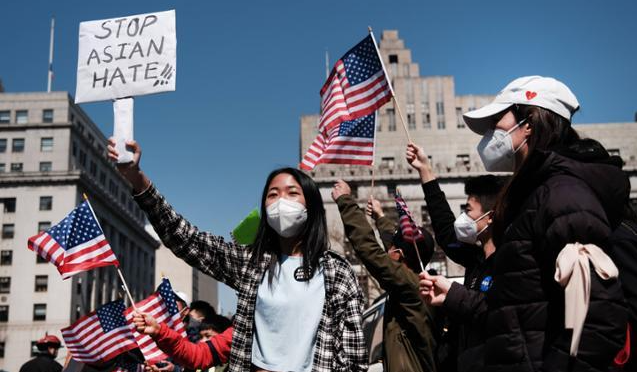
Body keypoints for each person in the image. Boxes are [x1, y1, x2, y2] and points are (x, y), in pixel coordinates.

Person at [108, 140, 367, 372]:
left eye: (292, 193)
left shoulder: (337, 272)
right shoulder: (251, 263)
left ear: (310, 206)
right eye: (272, 195)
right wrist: (137, 178)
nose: (280, 202)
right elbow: (185, 237)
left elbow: (354, 358)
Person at [461, 75, 628, 371]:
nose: (490, 133)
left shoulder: (562, 195)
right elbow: (518, 314)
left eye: (498, 119)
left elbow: (600, 316)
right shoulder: (535, 196)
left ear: (529, 124)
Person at [407, 141, 504, 372]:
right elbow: (445, 231)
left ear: (490, 217)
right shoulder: (475, 258)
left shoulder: (511, 261)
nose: (463, 217)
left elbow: (496, 314)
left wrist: (452, 294)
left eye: (468, 210)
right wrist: (425, 171)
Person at [331, 179, 438, 372]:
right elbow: (394, 242)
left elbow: (370, 250)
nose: (387, 250)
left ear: (399, 255)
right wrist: (380, 216)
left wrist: (346, 201)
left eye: (390, 249)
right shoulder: (419, 281)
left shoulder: (410, 285)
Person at [133, 312, 233, 371]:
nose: (202, 341)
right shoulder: (237, 332)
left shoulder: (230, 365)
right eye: (201, 336)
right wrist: (158, 331)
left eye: (208, 336)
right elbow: (198, 355)